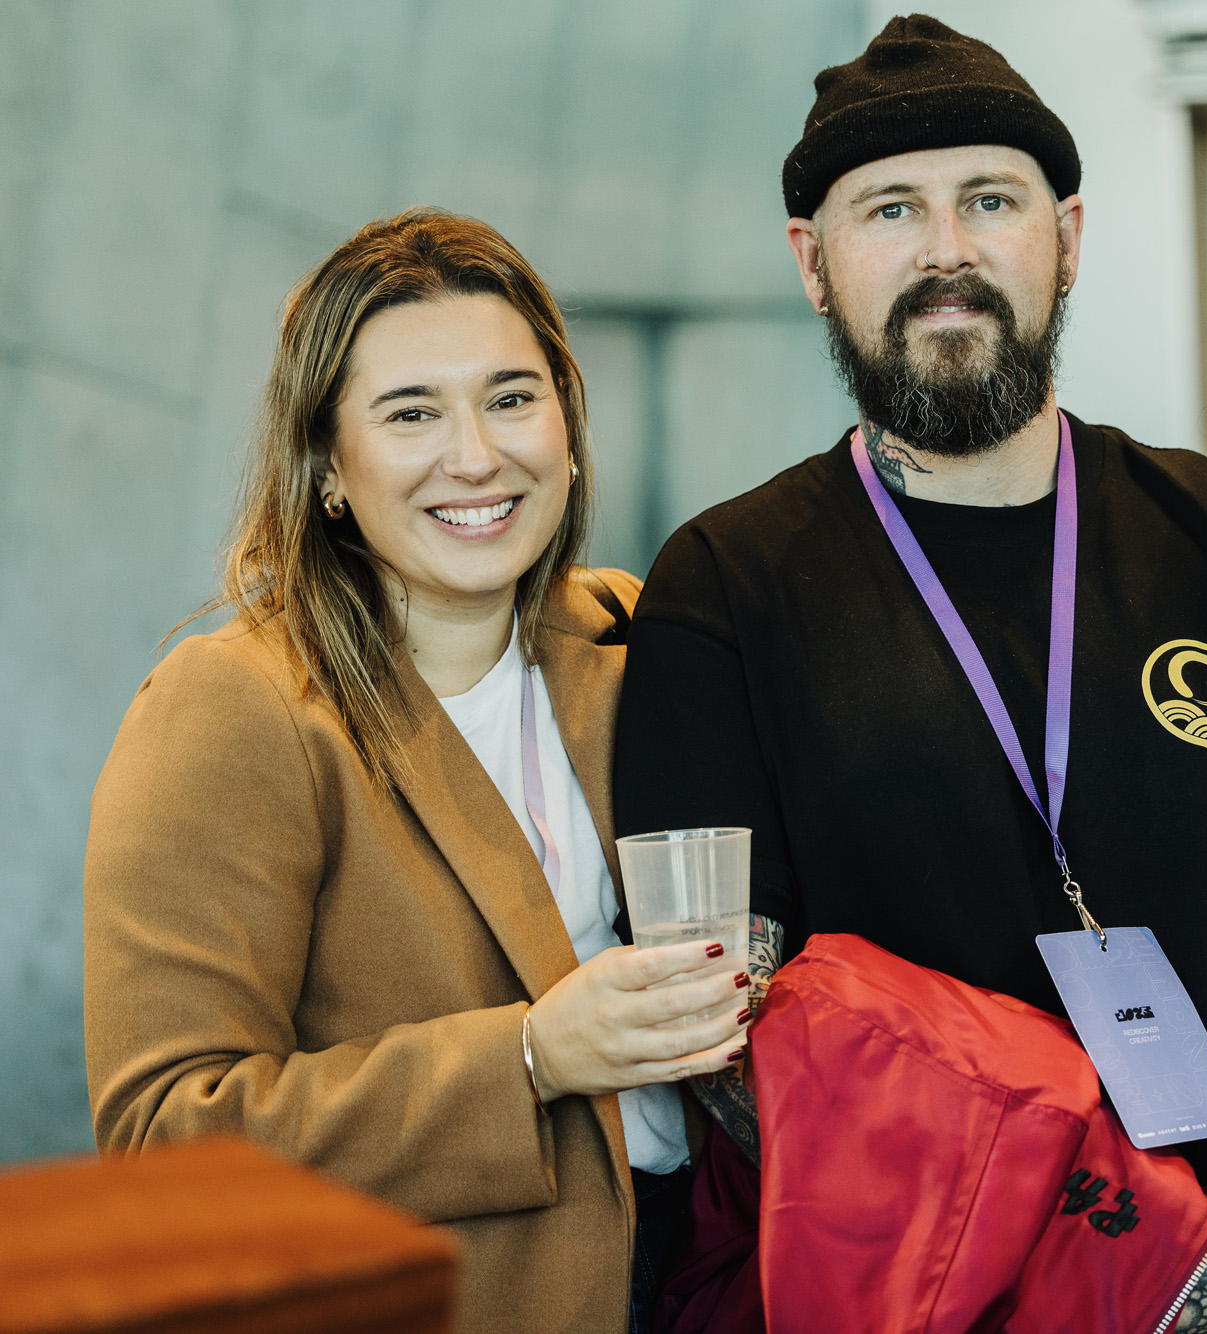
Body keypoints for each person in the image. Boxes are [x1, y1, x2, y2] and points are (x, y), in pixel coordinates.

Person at [615, 16, 1207, 1331]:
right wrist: (1025, 1257)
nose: (946, 251)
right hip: (923, 1296)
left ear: (1067, 237)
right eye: (891, 209)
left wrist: (1195, 1271)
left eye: (990, 200)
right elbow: (720, 1007)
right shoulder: (724, 586)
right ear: (814, 261)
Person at [84, 209, 745, 1334]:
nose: (477, 455)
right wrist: (533, 1055)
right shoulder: (236, 708)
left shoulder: (638, 637)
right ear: (328, 466)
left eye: (509, 397)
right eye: (409, 413)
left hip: (702, 1276)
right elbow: (164, 1137)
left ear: (568, 430)